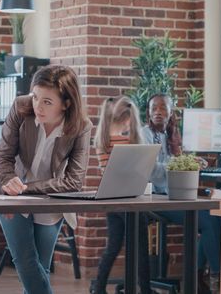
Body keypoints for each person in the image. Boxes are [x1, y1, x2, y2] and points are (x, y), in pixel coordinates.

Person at [0, 65, 92, 294]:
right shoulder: (21, 108)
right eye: (35, 97)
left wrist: (25, 189)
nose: (37, 106)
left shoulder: (81, 126)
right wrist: (8, 180)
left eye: (47, 102)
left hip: (50, 197)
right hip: (9, 194)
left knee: (38, 268)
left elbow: (74, 181)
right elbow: (3, 155)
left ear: (67, 103)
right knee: (27, 263)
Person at [142, 93, 221, 294]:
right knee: (210, 221)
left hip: (175, 195)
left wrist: (192, 162)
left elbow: (174, 166)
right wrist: (181, 164)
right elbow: (152, 171)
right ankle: (217, 281)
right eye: (154, 109)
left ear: (171, 112)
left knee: (216, 216)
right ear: (148, 113)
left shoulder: (171, 136)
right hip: (156, 198)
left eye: (163, 108)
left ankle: (198, 277)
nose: (158, 112)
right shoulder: (144, 134)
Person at [90, 96, 154, 294]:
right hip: (130, 200)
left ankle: (98, 287)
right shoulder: (129, 140)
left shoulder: (102, 141)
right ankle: (145, 289)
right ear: (127, 119)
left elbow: (106, 172)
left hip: (111, 200)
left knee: (113, 246)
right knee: (141, 249)